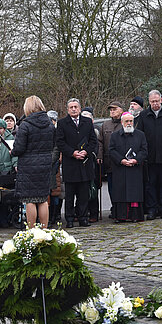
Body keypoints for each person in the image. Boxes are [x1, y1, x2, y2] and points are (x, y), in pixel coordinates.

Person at [11, 96, 55, 228]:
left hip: (28, 166)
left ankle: (32, 232)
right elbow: (52, 144)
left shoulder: (25, 125)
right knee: (42, 199)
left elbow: (19, 148)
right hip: (45, 164)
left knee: (29, 200)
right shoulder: (49, 124)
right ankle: (44, 230)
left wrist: (12, 152)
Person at [136, 90, 162, 220]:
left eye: (157, 101)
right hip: (149, 157)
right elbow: (140, 136)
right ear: (149, 102)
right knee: (150, 185)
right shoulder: (143, 116)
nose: (155, 104)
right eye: (152, 101)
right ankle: (152, 209)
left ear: (161, 101)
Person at [56, 98, 97, 228]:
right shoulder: (62, 123)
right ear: (67, 109)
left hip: (85, 163)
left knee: (83, 194)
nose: (74, 109)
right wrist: (72, 152)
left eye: (76, 107)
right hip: (70, 163)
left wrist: (86, 151)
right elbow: (60, 142)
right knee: (70, 194)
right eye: (71, 107)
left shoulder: (87, 122)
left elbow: (93, 141)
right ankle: (69, 218)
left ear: (80, 108)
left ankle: (83, 217)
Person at [109, 112, 148, 222]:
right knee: (120, 193)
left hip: (135, 169)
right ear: (122, 123)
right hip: (120, 169)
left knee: (134, 193)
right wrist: (121, 160)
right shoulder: (115, 136)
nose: (129, 123)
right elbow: (111, 150)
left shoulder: (140, 135)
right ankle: (121, 216)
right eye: (127, 121)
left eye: (131, 121)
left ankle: (135, 216)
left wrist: (136, 160)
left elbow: (144, 150)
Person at [97, 101, 124, 218]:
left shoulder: (125, 123)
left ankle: (122, 209)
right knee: (111, 187)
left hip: (123, 162)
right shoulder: (105, 125)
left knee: (122, 187)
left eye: (115, 109)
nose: (112, 111)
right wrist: (99, 156)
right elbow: (100, 142)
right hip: (109, 162)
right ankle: (114, 208)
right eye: (111, 110)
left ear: (121, 110)